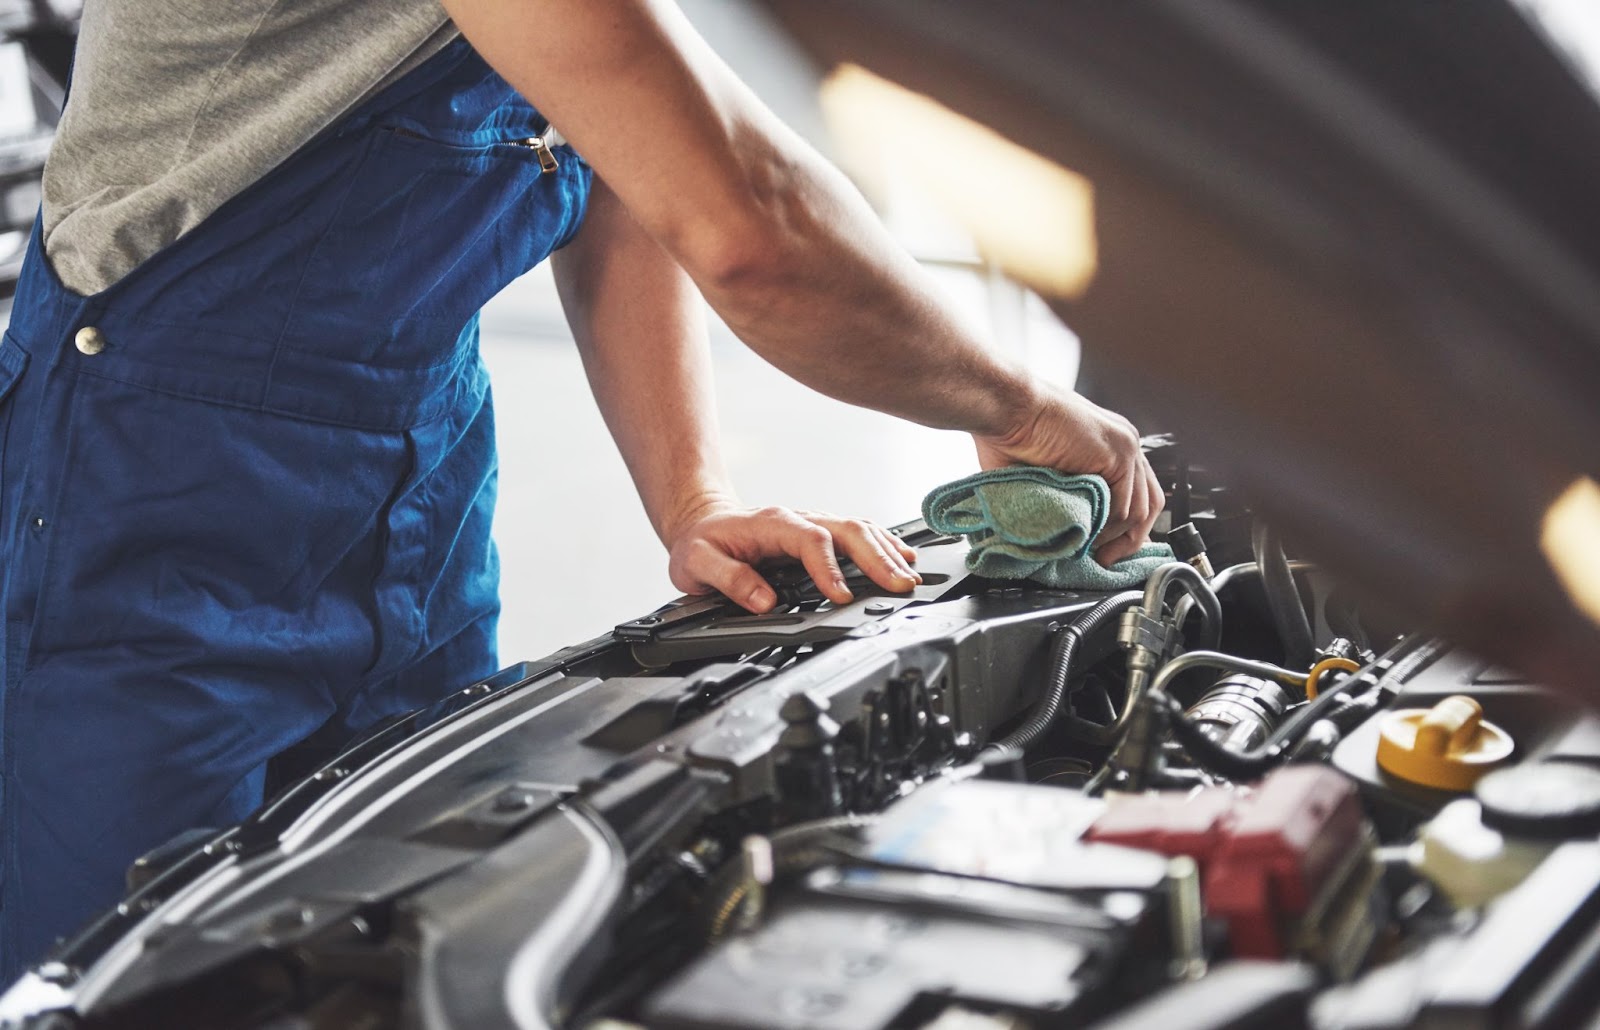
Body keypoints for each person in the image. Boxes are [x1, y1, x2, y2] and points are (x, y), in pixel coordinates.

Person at [0, 0, 1161, 980]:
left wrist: (691, 494)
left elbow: (622, 161)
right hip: (149, 479)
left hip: (412, 462)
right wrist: (1018, 406)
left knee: (426, 923)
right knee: (129, 962)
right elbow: (748, 223)